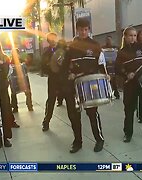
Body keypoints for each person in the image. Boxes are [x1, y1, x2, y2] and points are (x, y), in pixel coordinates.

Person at [65, 18, 107, 153]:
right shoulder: (71, 46)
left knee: (92, 113)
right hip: (74, 86)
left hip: (90, 84)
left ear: (89, 30)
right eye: (81, 29)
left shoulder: (95, 45)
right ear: (77, 30)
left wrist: (106, 75)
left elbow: (101, 64)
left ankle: (99, 139)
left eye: (86, 29)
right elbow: (66, 65)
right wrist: (70, 73)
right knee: (74, 115)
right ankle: (77, 142)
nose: (83, 32)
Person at [115, 26, 142, 142]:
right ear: (125, 37)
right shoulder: (121, 52)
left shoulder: (141, 47)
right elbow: (117, 68)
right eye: (130, 35)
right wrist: (126, 73)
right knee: (129, 110)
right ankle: (128, 133)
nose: (133, 38)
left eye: (134, 35)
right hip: (130, 85)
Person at [41, 32, 59, 131]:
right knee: (51, 101)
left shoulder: (63, 50)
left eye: (54, 38)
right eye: (51, 39)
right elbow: (43, 68)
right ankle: (46, 121)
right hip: (53, 79)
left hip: (64, 79)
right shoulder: (46, 53)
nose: (53, 41)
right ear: (48, 41)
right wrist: (51, 67)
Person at [9, 49, 34, 113]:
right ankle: (15, 107)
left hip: (23, 79)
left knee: (27, 93)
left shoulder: (22, 61)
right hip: (15, 80)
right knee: (14, 93)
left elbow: (27, 66)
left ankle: (29, 105)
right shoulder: (11, 62)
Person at [55, 39, 67, 107]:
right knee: (59, 88)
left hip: (65, 71)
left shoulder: (67, 50)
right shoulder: (56, 50)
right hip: (59, 72)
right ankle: (59, 100)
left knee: (63, 87)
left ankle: (60, 100)